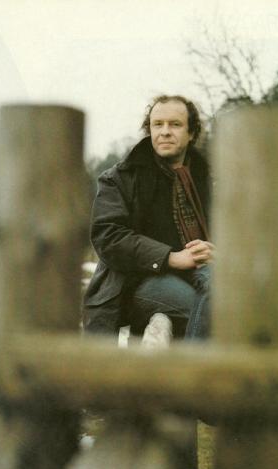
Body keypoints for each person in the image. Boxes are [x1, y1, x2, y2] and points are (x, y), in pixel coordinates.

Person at [83, 95, 213, 341]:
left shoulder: (208, 177)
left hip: (204, 272)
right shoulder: (120, 178)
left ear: (192, 133)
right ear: (149, 129)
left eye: (175, 124)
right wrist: (171, 258)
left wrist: (215, 250)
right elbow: (108, 237)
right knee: (214, 311)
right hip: (138, 282)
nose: (165, 132)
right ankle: (191, 365)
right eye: (158, 124)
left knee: (231, 297)